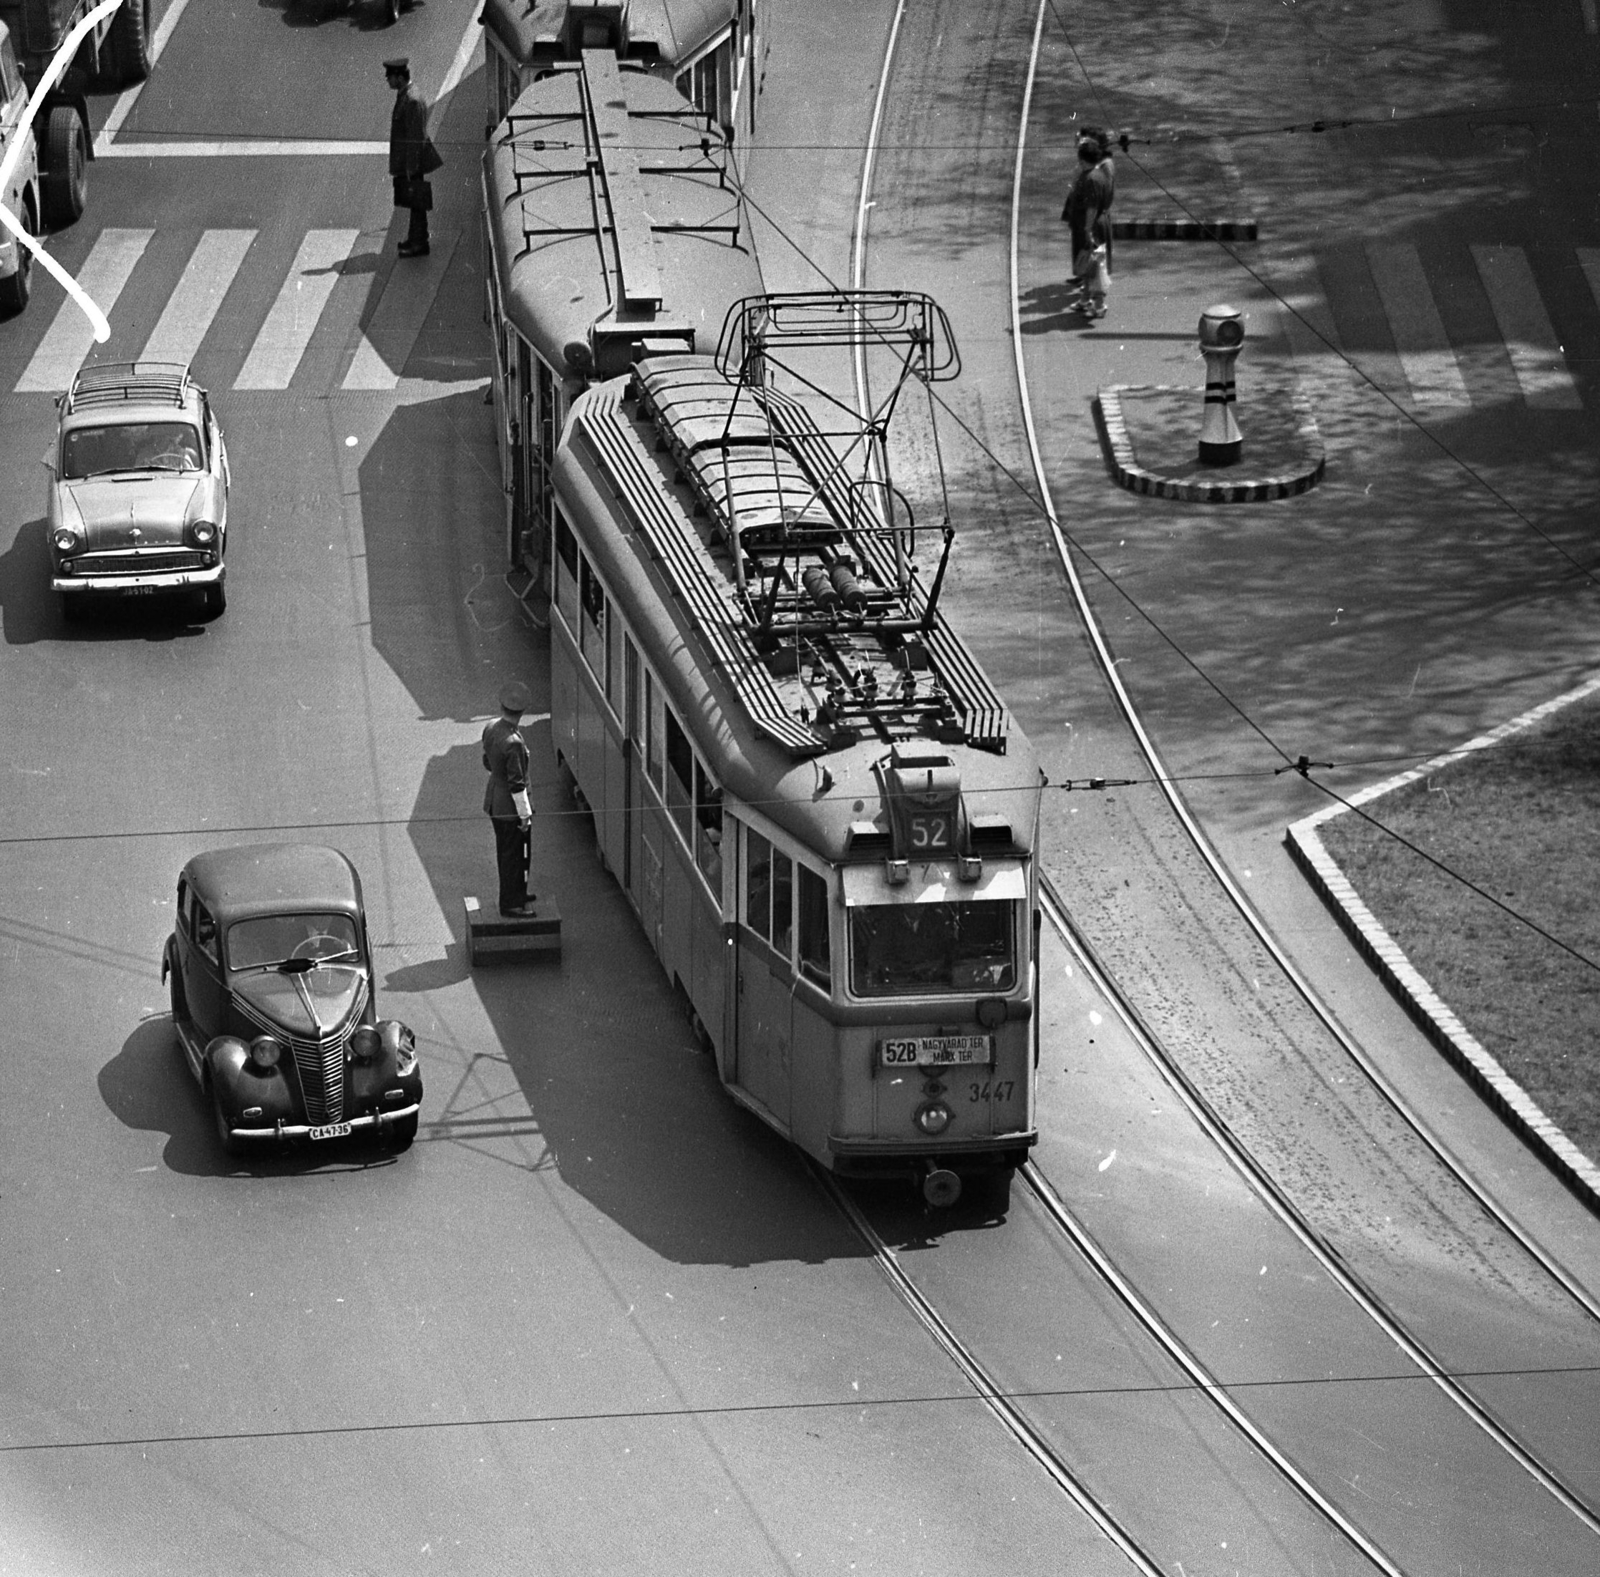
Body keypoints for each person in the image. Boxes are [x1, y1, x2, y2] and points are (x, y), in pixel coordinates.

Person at [483, 680, 536, 917]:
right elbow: (517, 784)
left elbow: (487, 760)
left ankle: (518, 893)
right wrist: (524, 815)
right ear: (522, 712)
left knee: (509, 853)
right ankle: (511, 903)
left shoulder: (492, 727)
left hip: (495, 799)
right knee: (513, 855)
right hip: (510, 809)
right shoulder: (514, 743)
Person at [385, 58, 438, 258]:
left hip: (412, 163)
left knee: (417, 203)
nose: (388, 81)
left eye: (390, 77)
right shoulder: (405, 95)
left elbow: (416, 137)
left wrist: (411, 167)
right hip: (409, 162)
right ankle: (416, 238)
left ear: (399, 77)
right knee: (415, 203)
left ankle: (418, 244)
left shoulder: (412, 100)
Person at [1062, 127, 1116, 321]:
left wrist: (1087, 230)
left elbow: (1091, 208)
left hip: (1092, 226)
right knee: (1088, 264)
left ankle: (1099, 305)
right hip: (1089, 225)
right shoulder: (1096, 174)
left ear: (1083, 160)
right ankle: (1085, 299)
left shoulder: (1092, 178)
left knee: (1095, 266)